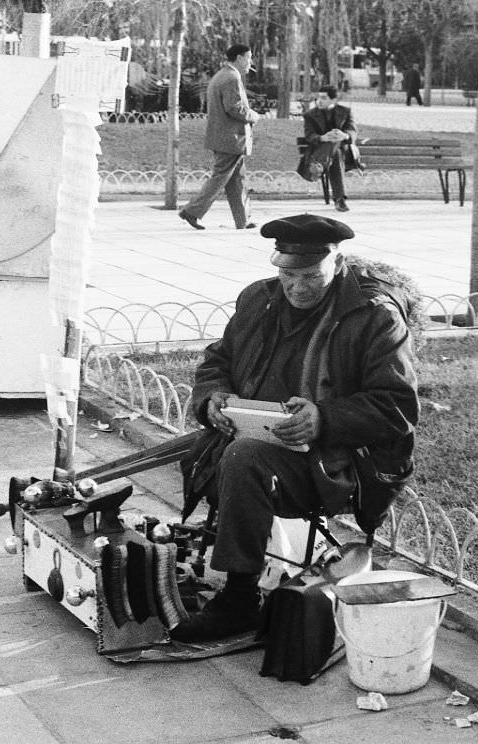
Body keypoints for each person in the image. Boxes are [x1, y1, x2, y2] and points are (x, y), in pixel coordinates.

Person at [170, 213, 419, 643]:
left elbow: (397, 408)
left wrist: (323, 419)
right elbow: (217, 361)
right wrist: (214, 397)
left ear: (336, 262)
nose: (297, 287)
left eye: (310, 276)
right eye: (287, 275)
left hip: (338, 465)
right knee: (233, 454)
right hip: (257, 443)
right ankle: (238, 575)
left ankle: (239, 599)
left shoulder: (374, 316)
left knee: (243, 458)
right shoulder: (258, 300)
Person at [178, 44, 261, 230]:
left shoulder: (222, 75)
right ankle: (192, 211)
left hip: (225, 137)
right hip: (230, 138)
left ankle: (243, 220)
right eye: (249, 57)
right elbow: (234, 107)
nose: (250, 62)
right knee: (220, 177)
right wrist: (253, 115)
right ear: (239, 58)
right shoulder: (232, 77)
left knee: (237, 179)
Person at [302, 85, 357, 212]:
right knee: (335, 154)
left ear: (333, 100)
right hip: (321, 150)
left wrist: (344, 135)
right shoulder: (310, 115)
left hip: (345, 153)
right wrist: (322, 138)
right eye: (318, 98)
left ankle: (319, 165)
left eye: (323, 98)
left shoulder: (345, 112)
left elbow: (352, 131)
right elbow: (309, 135)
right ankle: (340, 199)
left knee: (337, 145)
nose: (319, 101)